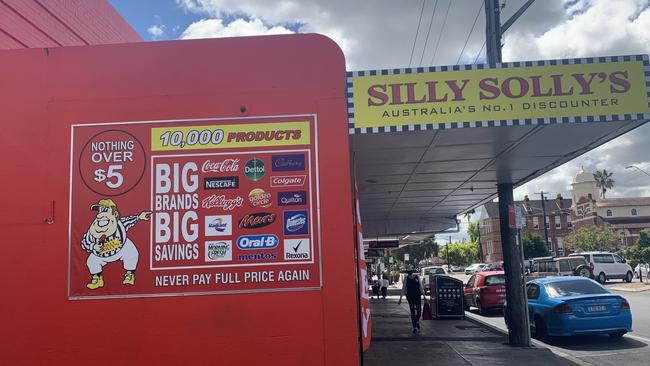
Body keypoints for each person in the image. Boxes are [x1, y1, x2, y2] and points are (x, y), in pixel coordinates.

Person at [398, 268, 426, 333]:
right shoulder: (406, 278)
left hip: (417, 295)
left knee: (419, 311)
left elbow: (421, 287)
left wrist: (424, 296)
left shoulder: (417, 277)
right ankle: (414, 327)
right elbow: (404, 288)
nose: (411, 276)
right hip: (410, 296)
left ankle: (417, 321)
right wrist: (400, 299)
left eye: (412, 274)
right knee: (412, 311)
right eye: (410, 274)